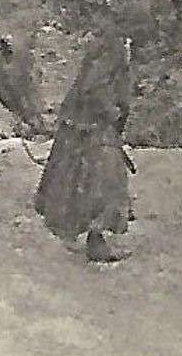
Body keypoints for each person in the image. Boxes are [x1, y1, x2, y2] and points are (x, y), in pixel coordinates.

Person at [34, 27, 136, 263]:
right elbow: (93, 86)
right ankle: (95, 240)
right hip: (92, 123)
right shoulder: (114, 47)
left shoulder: (111, 42)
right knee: (106, 179)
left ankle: (84, 235)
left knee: (79, 176)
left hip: (83, 121)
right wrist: (111, 112)